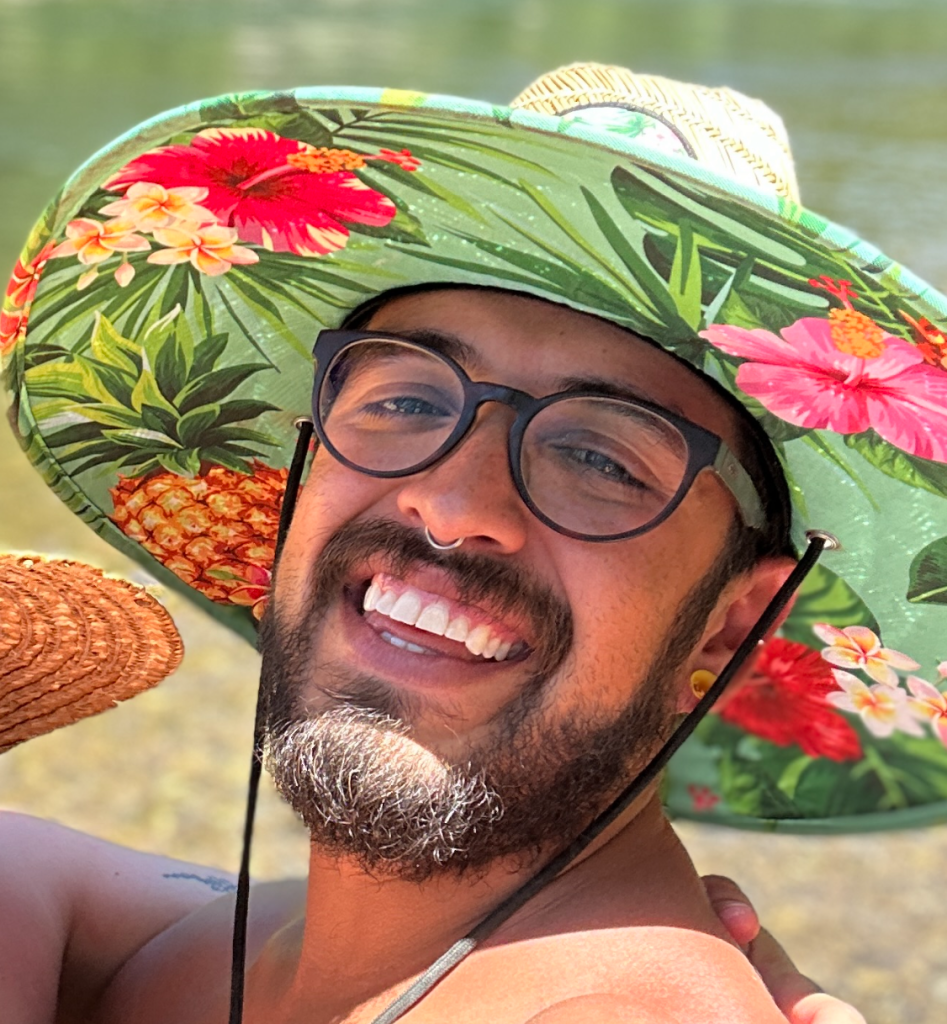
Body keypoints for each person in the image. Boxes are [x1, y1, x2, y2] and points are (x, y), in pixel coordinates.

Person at [4, 60, 946, 1022]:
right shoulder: (194, 950)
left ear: (729, 625)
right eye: (406, 400)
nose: (452, 507)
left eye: (599, 458)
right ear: (300, 473)